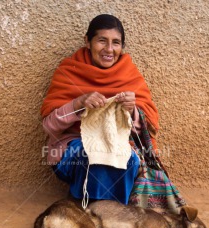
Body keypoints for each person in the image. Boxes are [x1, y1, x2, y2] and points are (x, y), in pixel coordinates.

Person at [41, 14, 159, 205]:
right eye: (102, 41)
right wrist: (78, 104)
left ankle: (108, 213)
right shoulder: (69, 70)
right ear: (87, 41)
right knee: (93, 154)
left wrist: (131, 111)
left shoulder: (130, 74)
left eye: (116, 43)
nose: (109, 49)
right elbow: (49, 127)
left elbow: (149, 130)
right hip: (72, 150)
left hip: (121, 145)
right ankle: (91, 211)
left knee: (123, 156)